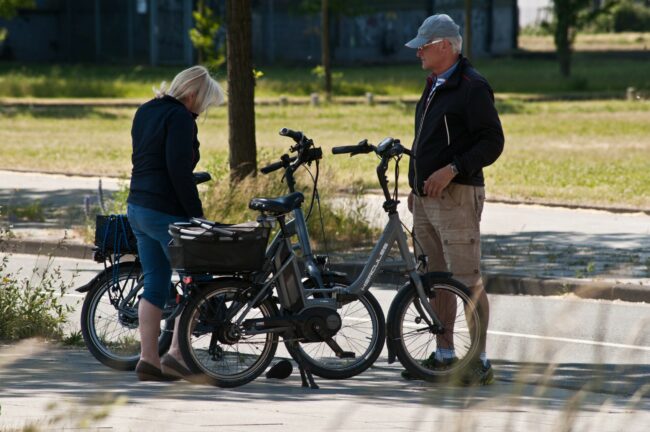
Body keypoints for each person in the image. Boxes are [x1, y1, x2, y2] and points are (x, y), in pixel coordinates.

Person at [401, 14, 504, 385]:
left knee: (465, 279)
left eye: (423, 47)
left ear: (446, 45)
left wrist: (452, 169)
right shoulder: (433, 83)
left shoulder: (472, 86)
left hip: (458, 196)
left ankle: (478, 361)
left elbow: (492, 142)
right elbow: (425, 141)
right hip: (427, 199)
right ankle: (444, 355)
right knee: (435, 279)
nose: (418, 54)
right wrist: (416, 187)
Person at [127, 65, 225, 381]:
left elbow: (146, 159)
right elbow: (177, 171)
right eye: (204, 103)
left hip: (137, 207)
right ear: (193, 94)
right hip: (165, 212)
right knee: (200, 281)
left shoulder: (146, 110)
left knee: (155, 282)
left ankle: (148, 359)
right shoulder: (180, 118)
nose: (202, 110)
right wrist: (197, 216)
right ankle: (177, 355)